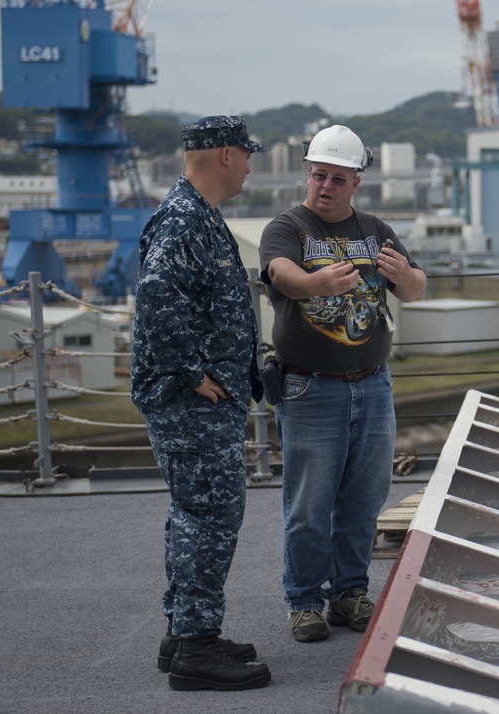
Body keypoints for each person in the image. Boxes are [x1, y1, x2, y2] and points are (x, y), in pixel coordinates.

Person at [259, 124, 426, 642]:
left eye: (336, 178)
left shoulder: (376, 230)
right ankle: (305, 601)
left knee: (362, 499)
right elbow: (280, 273)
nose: (324, 186)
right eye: (317, 175)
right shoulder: (287, 226)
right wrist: (317, 283)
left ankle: (350, 592)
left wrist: (403, 274)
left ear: (356, 182)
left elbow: (417, 290)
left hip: (372, 384)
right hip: (311, 388)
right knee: (309, 503)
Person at [131, 115, 272, 691]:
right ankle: (195, 647)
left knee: (196, 513)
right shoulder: (186, 218)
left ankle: (187, 633)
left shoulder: (197, 214)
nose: (249, 164)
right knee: (211, 514)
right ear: (224, 156)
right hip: (191, 402)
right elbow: (158, 296)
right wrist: (193, 376)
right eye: (246, 154)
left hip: (203, 398)